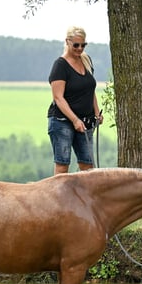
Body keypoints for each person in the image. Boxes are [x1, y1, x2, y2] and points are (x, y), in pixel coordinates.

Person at [47, 26, 104, 175]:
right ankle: (59, 198)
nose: (80, 49)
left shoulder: (86, 61)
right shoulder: (60, 65)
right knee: (63, 164)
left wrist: (97, 113)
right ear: (67, 42)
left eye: (83, 45)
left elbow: (90, 90)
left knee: (88, 165)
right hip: (62, 121)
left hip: (85, 122)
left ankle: (86, 197)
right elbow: (58, 98)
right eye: (76, 45)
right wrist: (74, 120)